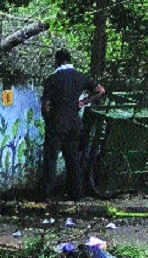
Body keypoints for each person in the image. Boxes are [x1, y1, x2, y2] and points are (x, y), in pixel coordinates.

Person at [41, 49, 105, 201]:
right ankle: (76, 194)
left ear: (58, 61)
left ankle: (46, 195)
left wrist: (48, 118)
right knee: (72, 158)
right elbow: (100, 90)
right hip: (74, 123)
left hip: (56, 122)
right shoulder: (80, 77)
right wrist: (83, 102)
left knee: (51, 158)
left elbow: (47, 104)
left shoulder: (52, 79)